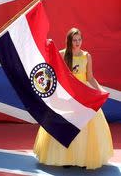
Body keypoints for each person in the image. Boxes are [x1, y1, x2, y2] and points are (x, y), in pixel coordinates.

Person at [33, 27, 113, 169]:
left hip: (83, 97)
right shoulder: (62, 55)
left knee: (84, 128)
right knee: (66, 126)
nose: (77, 43)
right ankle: (66, 159)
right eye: (74, 40)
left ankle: (83, 159)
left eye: (79, 40)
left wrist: (100, 90)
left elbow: (90, 77)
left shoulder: (86, 56)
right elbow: (53, 74)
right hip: (67, 98)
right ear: (69, 41)